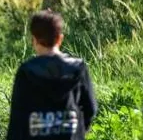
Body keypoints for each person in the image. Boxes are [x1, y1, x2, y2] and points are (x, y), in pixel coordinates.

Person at [6, 11, 98, 140]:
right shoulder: (78, 69)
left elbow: (17, 120)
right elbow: (91, 109)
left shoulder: (26, 72)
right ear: (60, 38)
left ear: (34, 40)